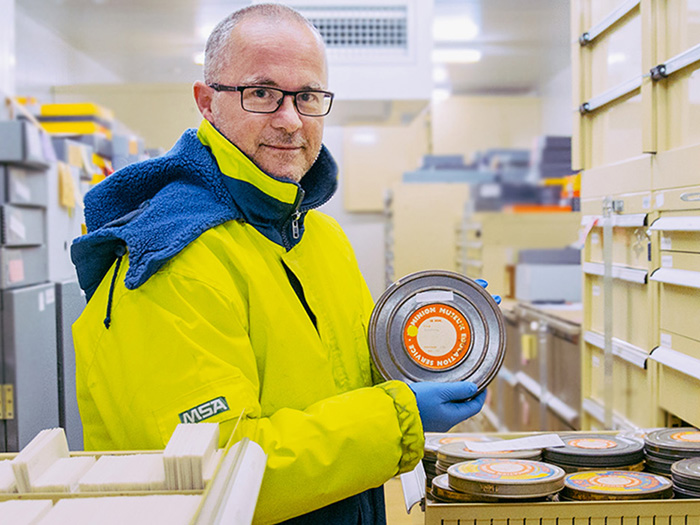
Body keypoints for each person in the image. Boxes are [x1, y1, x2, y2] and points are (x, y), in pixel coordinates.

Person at [70, 4, 488, 524]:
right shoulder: (171, 259)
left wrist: (444, 340)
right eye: (262, 93)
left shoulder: (320, 235)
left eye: (307, 96)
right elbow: (225, 471)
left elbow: (344, 381)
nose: (290, 120)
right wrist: (401, 417)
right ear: (207, 102)